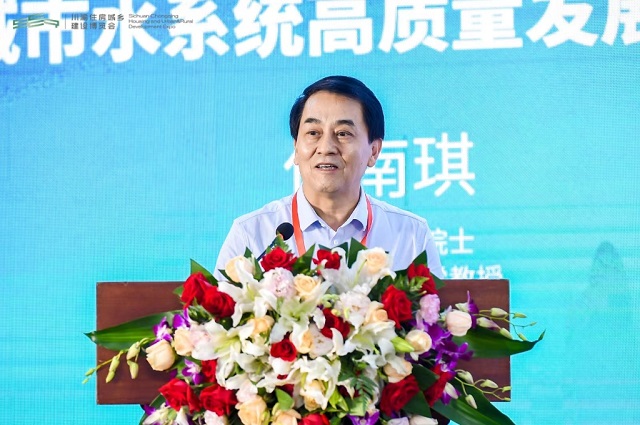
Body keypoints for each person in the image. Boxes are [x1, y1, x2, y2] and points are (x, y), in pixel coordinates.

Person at [215, 75, 443, 279]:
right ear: (296, 148)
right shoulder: (251, 234)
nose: (326, 147)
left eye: (343, 133)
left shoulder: (412, 236)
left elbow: (434, 312)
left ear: (374, 151)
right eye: (313, 133)